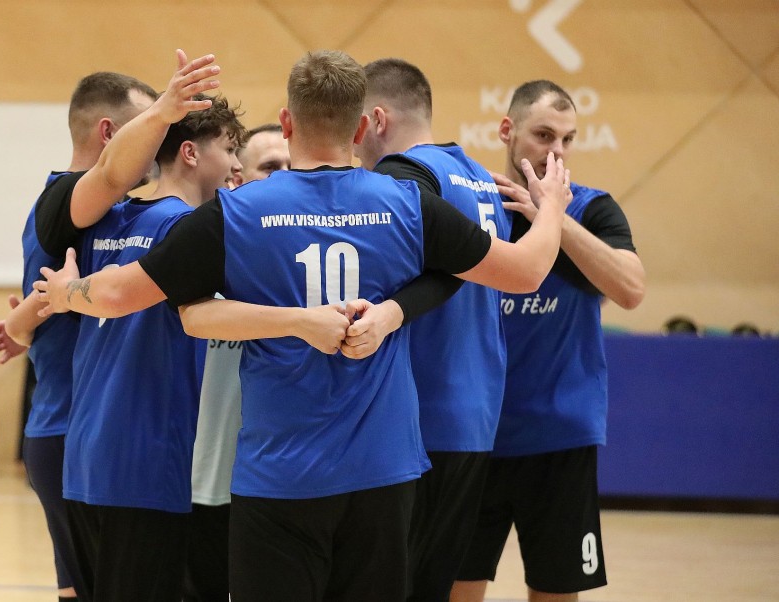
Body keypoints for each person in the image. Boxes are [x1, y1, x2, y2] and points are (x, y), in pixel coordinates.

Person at [33, 50, 571, 602]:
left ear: (286, 123)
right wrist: (551, 205)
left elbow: (120, 295)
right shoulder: (408, 204)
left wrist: (66, 293)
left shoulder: (238, 212)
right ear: (360, 129)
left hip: (278, 476)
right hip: (382, 472)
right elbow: (526, 271)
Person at [0, 52, 223, 602]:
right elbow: (52, 294)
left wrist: (21, 324)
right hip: (78, 427)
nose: (159, 141)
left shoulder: (115, 214)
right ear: (112, 133)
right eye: (149, 126)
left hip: (86, 429)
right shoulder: (71, 202)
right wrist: (25, 319)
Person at [42, 90, 243, 602]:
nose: (236, 164)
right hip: (150, 460)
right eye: (229, 148)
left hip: (86, 457)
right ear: (191, 153)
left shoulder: (102, 220)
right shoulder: (190, 228)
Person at [451, 80, 646, 602]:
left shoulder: (593, 209)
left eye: (567, 139)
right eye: (543, 135)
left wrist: (552, 220)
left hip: (559, 440)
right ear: (507, 131)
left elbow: (630, 289)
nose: (556, 151)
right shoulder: (472, 208)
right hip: (474, 438)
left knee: (557, 591)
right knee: (455, 589)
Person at [353, 57, 512, 602]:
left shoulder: (400, 179)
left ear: (377, 119)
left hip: (418, 418)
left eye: (354, 125)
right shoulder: (479, 177)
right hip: (475, 418)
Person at [183, 123, 290, 602]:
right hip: (204, 481)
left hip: (281, 482)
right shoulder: (205, 251)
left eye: (291, 166)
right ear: (236, 177)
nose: (284, 175)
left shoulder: (308, 262)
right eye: (270, 166)